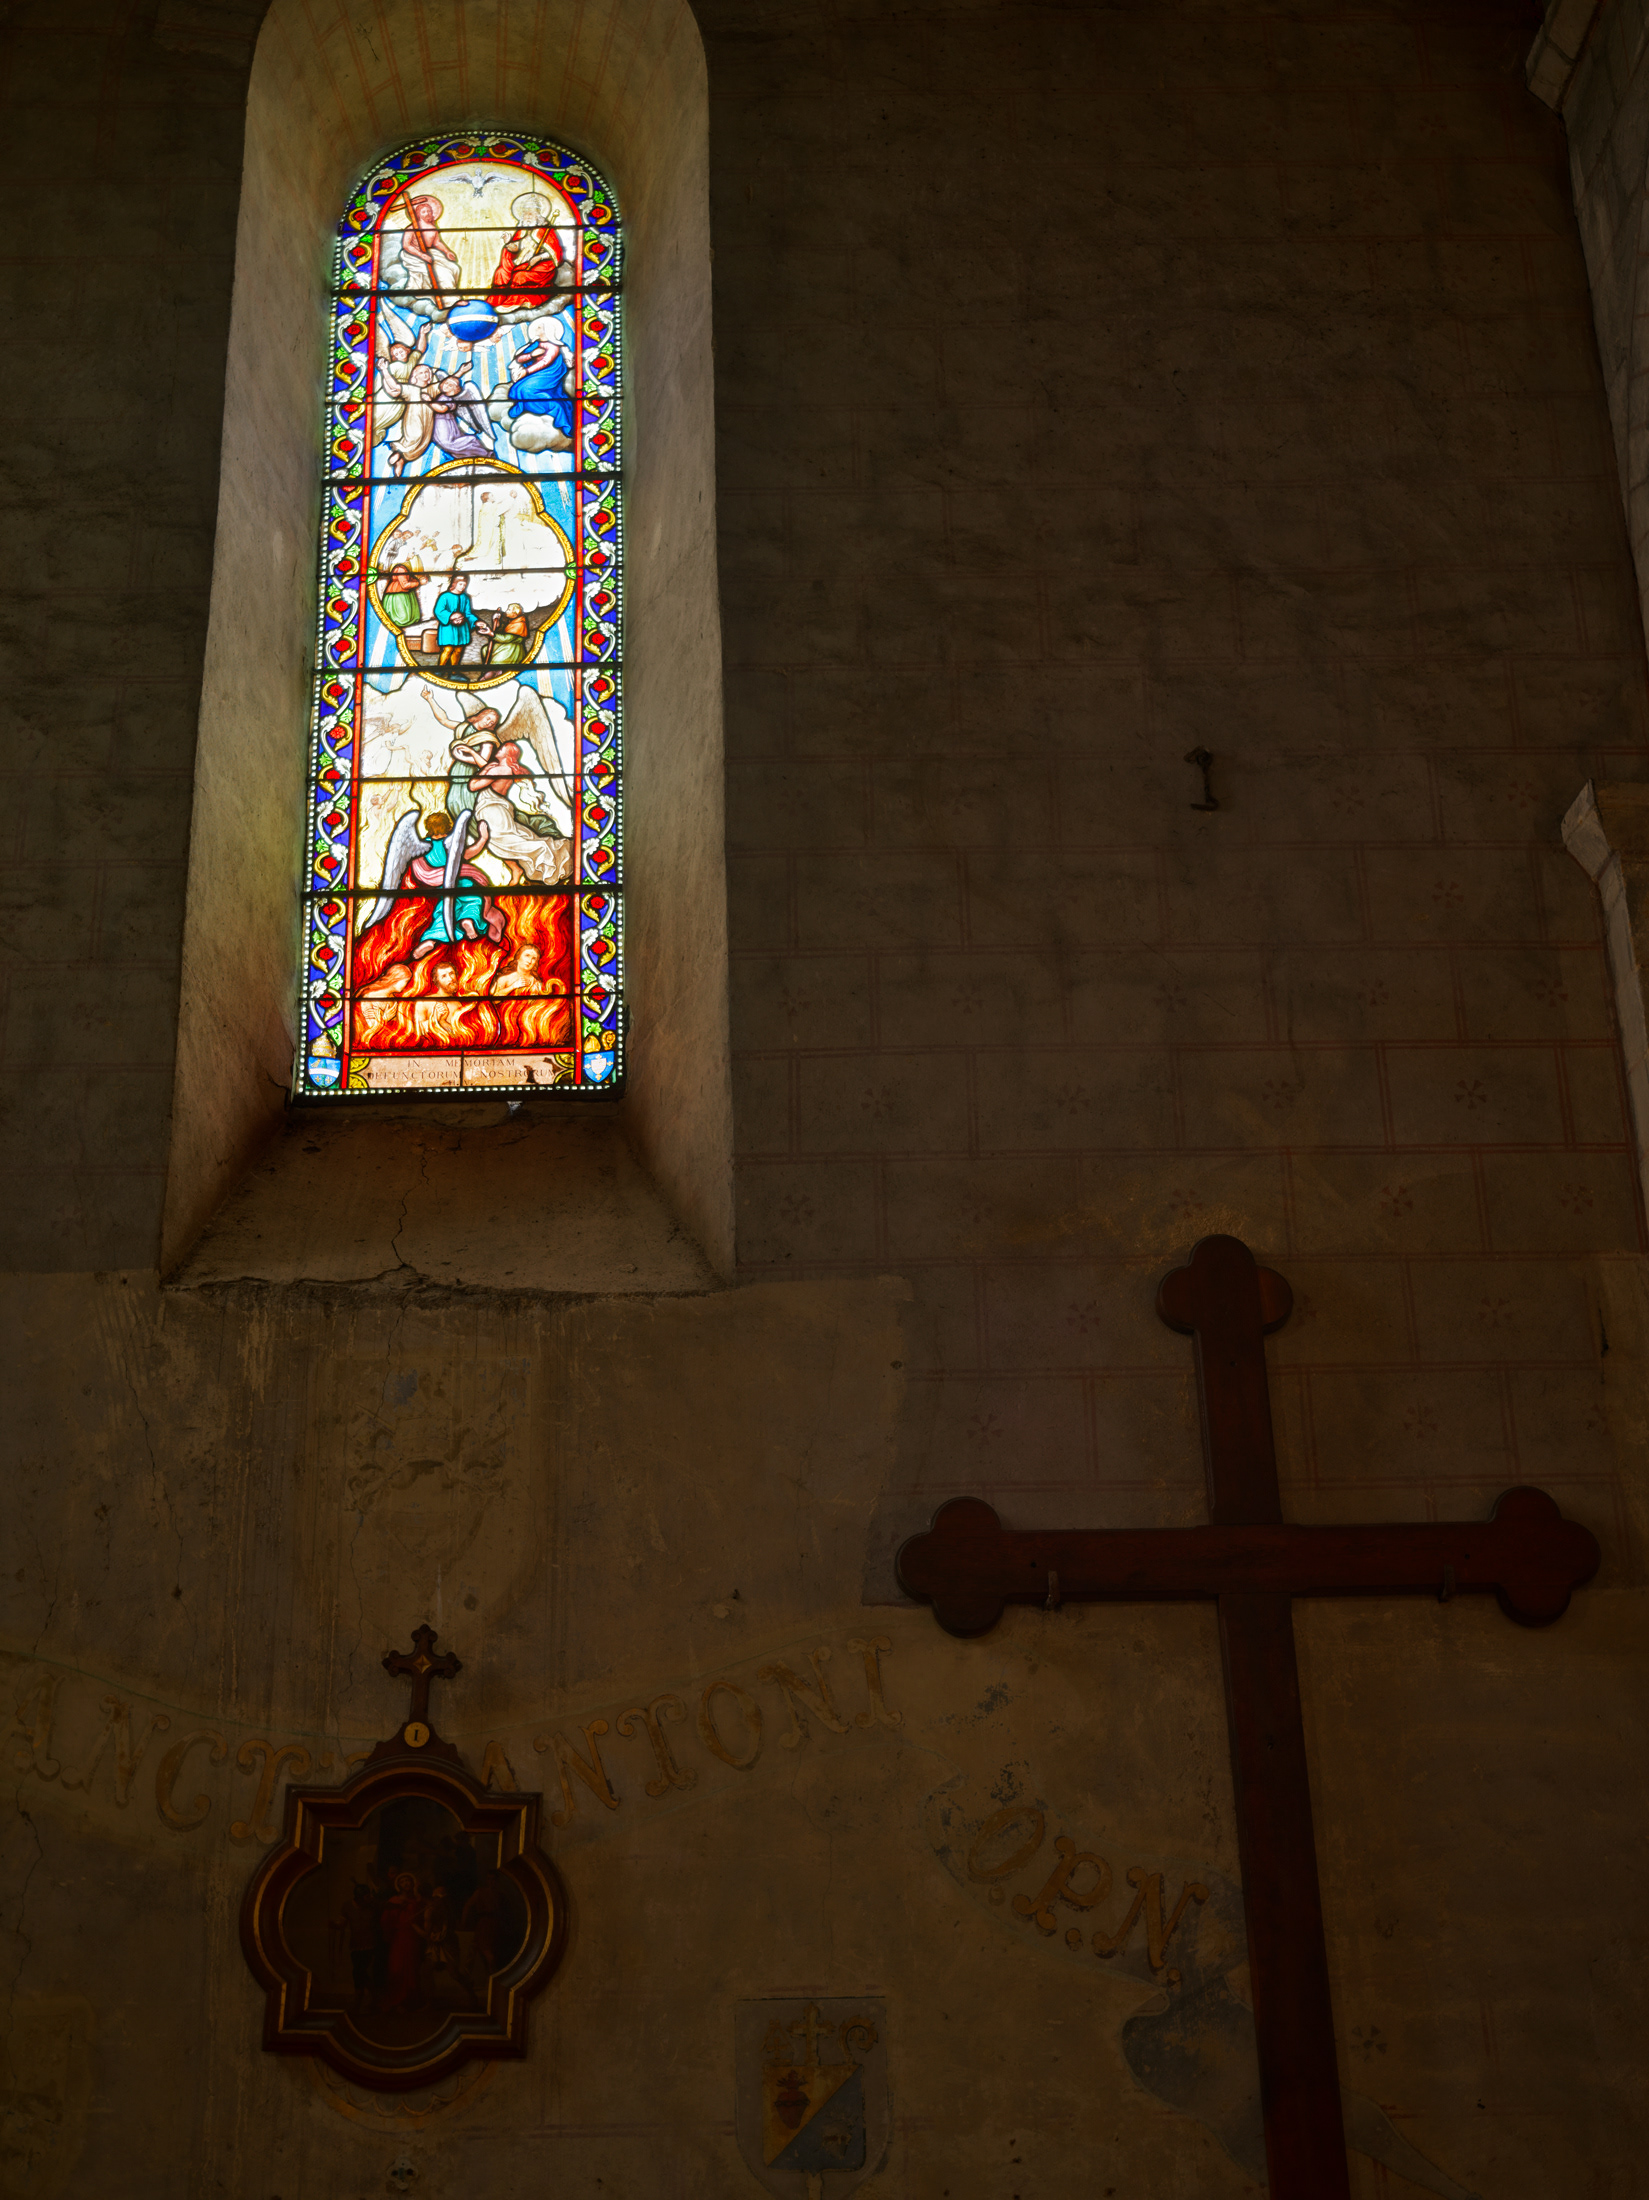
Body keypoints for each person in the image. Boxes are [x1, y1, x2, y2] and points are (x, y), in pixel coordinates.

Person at [486, 192, 567, 314]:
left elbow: (556, 253)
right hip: (521, 264)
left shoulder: (545, 231)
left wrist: (539, 258)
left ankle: (517, 301)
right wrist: (508, 243)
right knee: (500, 273)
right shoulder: (522, 231)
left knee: (520, 275)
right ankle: (497, 301)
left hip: (542, 268)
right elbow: (515, 249)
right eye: (525, 213)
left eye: (531, 213)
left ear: (538, 215)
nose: (527, 216)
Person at [503, 323, 574, 449]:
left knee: (526, 389)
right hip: (536, 374)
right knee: (519, 388)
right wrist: (532, 355)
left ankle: (554, 407)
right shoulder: (534, 345)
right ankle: (525, 407)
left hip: (549, 374)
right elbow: (520, 359)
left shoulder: (553, 346)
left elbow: (545, 362)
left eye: (540, 327)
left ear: (548, 329)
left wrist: (526, 371)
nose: (536, 329)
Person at [378, 1872, 425, 2013]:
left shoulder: (417, 1901)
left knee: (412, 1968)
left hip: (413, 1938)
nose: (406, 1883)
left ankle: (410, 2001)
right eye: (403, 1881)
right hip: (398, 1938)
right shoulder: (394, 1900)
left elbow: (422, 1919)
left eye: (408, 1880)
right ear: (398, 1885)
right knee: (397, 1968)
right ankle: (397, 2001)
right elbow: (386, 1920)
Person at [431, 373, 494, 464]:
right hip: (437, 423)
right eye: (446, 383)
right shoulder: (440, 395)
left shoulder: (451, 399)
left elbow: (442, 409)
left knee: (448, 443)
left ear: (455, 389)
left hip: (445, 424)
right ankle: (471, 455)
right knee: (447, 445)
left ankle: (483, 452)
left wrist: (428, 401)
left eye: (450, 385)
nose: (447, 385)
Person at [388, 363, 436, 476]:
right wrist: (385, 370)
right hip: (413, 418)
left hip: (427, 420)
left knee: (423, 442)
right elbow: (394, 386)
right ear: (415, 376)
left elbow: (447, 384)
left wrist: (461, 372)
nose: (424, 375)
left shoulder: (432, 388)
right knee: (415, 435)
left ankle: (401, 460)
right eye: (421, 373)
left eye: (427, 372)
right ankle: (399, 452)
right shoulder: (410, 389)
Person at [432, 566, 476, 666]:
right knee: (448, 649)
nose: (462, 587)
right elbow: (438, 610)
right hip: (448, 627)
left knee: (459, 650)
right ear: (454, 583)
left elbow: (468, 613)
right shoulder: (445, 596)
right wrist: (451, 616)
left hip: (462, 627)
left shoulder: (465, 597)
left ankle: (454, 671)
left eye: (464, 585)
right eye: (460, 584)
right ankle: (440, 669)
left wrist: (476, 622)